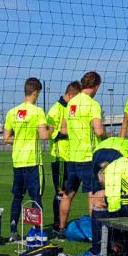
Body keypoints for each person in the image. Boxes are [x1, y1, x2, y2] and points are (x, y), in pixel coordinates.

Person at [58, 71, 107, 234]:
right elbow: (99, 131)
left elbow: (63, 129)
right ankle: (95, 233)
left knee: (67, 195)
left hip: (72, 157)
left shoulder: (71, 103)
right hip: (88, 157)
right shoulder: (93, 105)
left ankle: (61, 229)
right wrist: (106, 137)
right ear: (96, 87)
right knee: (93, 194)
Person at [3, 78, 50, 240]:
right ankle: (37, 231)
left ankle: (13, 231)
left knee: (17, 196)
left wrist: (20, 139)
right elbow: (44, 136)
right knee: (36, 197)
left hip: (18, 161)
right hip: (33, 162)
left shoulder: (12, 112)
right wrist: (53, 129)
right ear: (36, 93)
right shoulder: (37, 112)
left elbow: (6, 138)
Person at [82, 136, 128, 256]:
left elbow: (92, 191)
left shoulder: (100, 152)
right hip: (115, 155)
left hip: (101, 154)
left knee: (100, 199)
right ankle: (116, 241)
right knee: (116, 197)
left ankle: (98, 249)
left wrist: (92, 212)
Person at [46, 80, 80, 233]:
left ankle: (61, 223)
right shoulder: (55, 109)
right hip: (59, 157)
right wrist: (69, 132)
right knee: (60, 192)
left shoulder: (71, 108)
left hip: (71, 157)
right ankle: (56, 224)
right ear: (70, 94)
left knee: (69, 191)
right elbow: (50, 133)